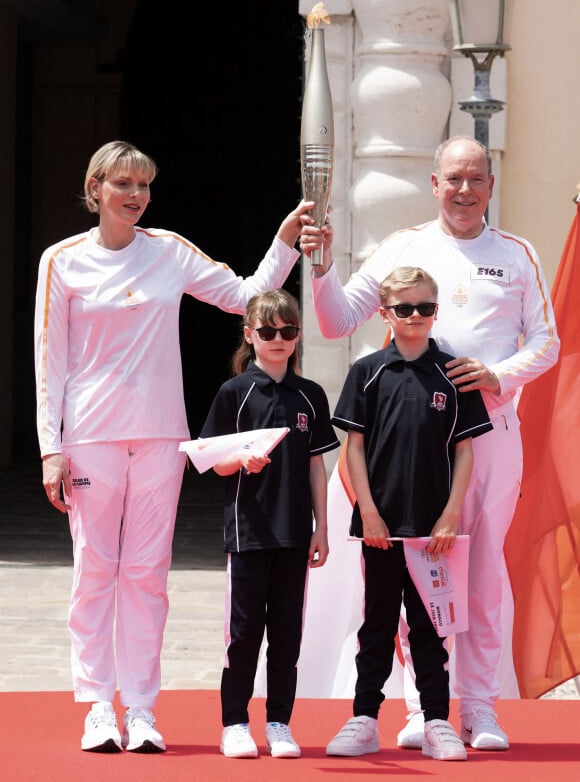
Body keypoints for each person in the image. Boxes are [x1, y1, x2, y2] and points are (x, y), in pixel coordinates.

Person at [34, 140, 307, 754]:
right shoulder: (63, 261)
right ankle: (98, 706)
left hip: (161, 433)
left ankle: (142, 708)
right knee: (95, 571)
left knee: (148, 575)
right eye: (123, 184)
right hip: (90, 434)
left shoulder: (170, 253)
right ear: (95, 188)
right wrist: (51, 448)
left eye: (144, 186)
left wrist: (285, 241)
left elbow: (244, 296)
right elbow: (48, 359)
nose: (135, 196)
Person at [300, 136, 559, 751]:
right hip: (413, 444)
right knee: (417, 570)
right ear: (434, 184)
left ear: (490, 185)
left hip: (488, 434)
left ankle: (482, 708)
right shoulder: (404, 249)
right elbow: (337, 321)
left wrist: (501, 376)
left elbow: (545, 342)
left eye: (476, 179)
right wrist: (322, 265)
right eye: (453, 179)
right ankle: (423, 706)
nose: (464, 190)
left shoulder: (517, 254)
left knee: (484, 573)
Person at [326, 266, 492, 762]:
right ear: (385, 314)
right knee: (375, 624)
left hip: (433, 535)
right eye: (404, 308)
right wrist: (368, 512)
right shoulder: (368, 371)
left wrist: (450, 514)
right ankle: (364, 719)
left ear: (435, 311)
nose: (415, 316)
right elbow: (353, 448)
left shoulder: (455, 373)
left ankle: (437, 720)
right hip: (381, 531)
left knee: (430, 627)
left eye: (425, 307)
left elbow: (465, 451)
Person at [199, 289, 339, 759]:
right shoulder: (234, 393)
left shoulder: (310, 395)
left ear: (298, 336)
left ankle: (279, 722)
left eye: (288, 331)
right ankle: (234, 722)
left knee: (286, 635)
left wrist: (322, 527)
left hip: (295, 532)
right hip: (247, 532)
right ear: (249, 335)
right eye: (268, 332)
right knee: (242, 635)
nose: (278, 340)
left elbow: (318, 465)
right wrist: (241, 459)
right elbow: (210, 461)